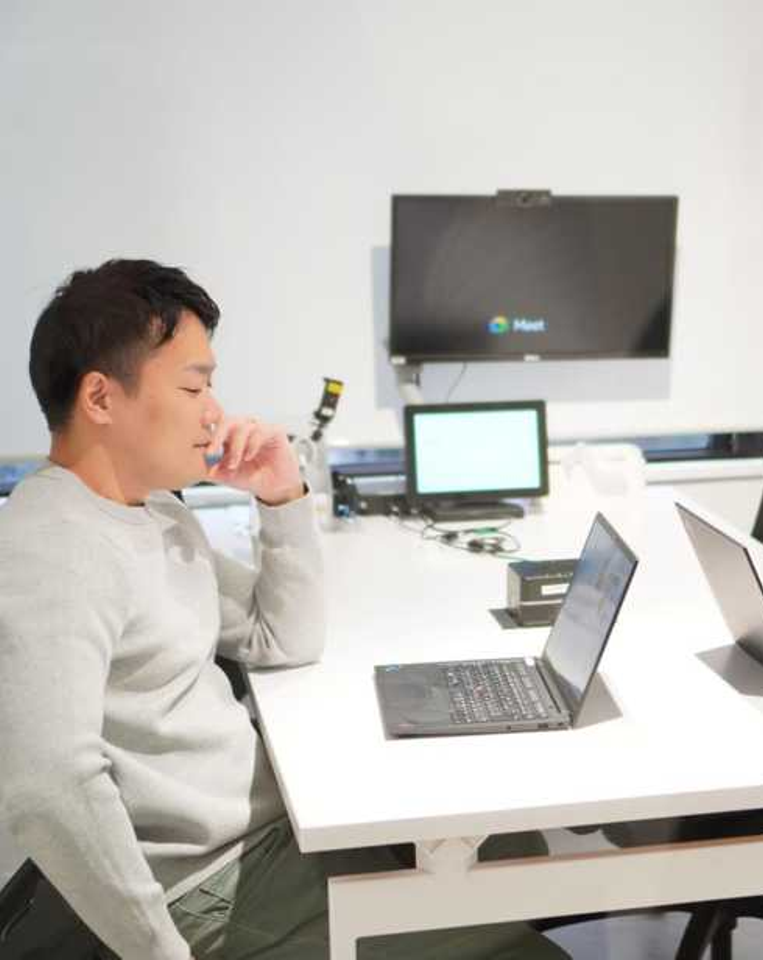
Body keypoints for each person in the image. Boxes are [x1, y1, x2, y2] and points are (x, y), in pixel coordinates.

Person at [0, 260, 565, 960]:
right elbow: (47, 787)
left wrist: (280, 494)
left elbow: (283, 637)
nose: (213, 410)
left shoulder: (156, 514)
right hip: (210, 886)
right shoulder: (52, 548)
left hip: (273, 826)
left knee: (516, 848)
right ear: (100, 397)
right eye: (193, 386)